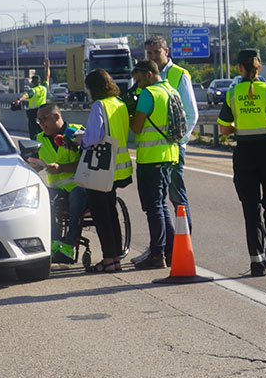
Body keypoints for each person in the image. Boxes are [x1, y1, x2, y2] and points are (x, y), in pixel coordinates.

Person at [217, 49, 266, 277]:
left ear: (240, 68)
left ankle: (257, 262)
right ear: (259, 67)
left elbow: (224, 129)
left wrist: (243, 124)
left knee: (251, 208)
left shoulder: (232, 93)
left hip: (245, 154)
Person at [143, 34, 198, 239]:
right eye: (149, 53)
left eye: (157, 52)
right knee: (157, 200)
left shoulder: (178, 74)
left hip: (174, 149)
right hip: (154, 150)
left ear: (166, 52)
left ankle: (184, 245)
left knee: (177, 197)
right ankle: (166, 247)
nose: (153, 56)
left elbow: (191, 114)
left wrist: (180, 143)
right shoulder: (145, 75)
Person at [128, 59, 180, 270]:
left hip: (151, 158)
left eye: (139, 78)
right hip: (169, 155)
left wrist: (129, 113)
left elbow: (137, 127)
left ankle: (157, 254)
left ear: (149, 74)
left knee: (153, 207)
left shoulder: (149, 95)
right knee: (161, 204)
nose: (137, 83)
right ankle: (171, 249)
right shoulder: (171, 91)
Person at [80, 68, 134, 272]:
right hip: (119, 169)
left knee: (101, 217)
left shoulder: (99, 106)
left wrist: (81, 141)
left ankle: (109, 260)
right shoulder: (119, 104)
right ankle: (116, 258)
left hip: (101, 169)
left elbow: (94, 136)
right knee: (111, 215)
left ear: (93, 88)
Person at [26, 102, 87, 264]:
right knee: (42, 199)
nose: (41, 124)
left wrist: (61, 168)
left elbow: (88, 161)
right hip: (56, 189)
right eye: (38, 120)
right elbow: (29, 166)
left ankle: (68, 246)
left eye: (44, 119)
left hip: (79, 186)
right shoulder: (37, 140)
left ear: (57, 117)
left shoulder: (76, 132)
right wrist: (34, 168)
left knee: (76, 200)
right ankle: (53, 243)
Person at [17, 60, 51, 137]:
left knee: (33, 132)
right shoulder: (44, 88)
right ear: (39, 81)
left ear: (32, 82)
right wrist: (47, 67)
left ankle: (34, 145)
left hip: (33, 113)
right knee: (43, 131)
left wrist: (19, 100)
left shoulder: (32, 90)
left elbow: (26, 96)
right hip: (43, 112)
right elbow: (47, 76)